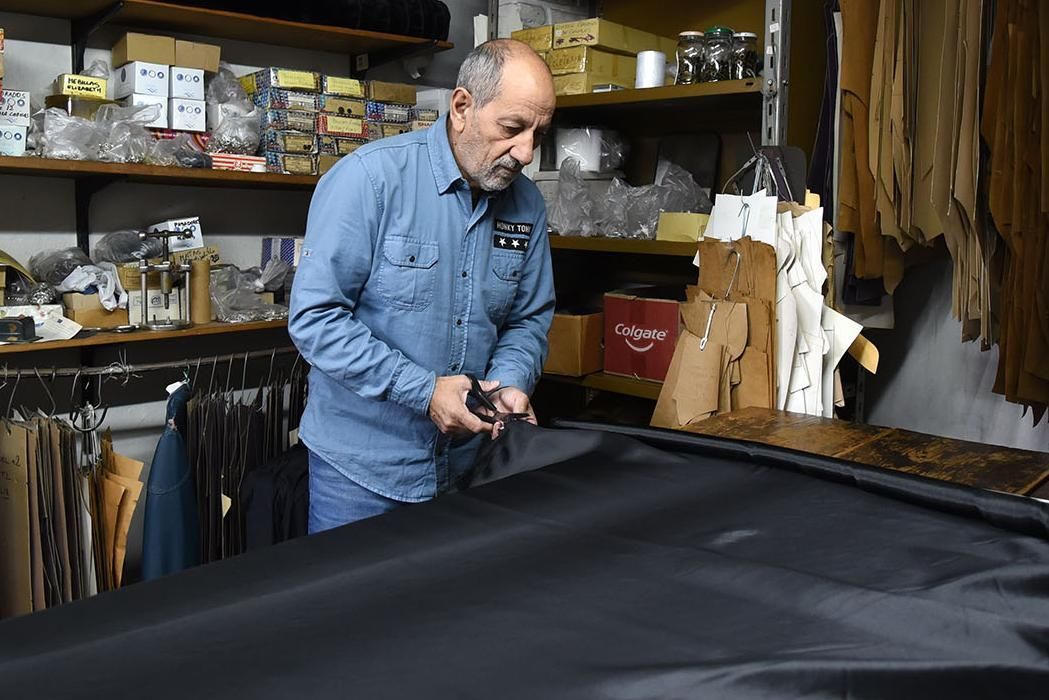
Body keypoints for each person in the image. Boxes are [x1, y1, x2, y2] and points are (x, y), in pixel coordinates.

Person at [289, 39, 557, 533]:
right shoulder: (369, 180)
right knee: (354, 588)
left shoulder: (527, 205)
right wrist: (424, 391)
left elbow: (528, 319)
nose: (526, 153)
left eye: (538, 134)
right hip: (362, 475)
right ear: (462, 107)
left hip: (470, 469)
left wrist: (509, 384)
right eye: (512, 128)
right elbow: (315, 320)